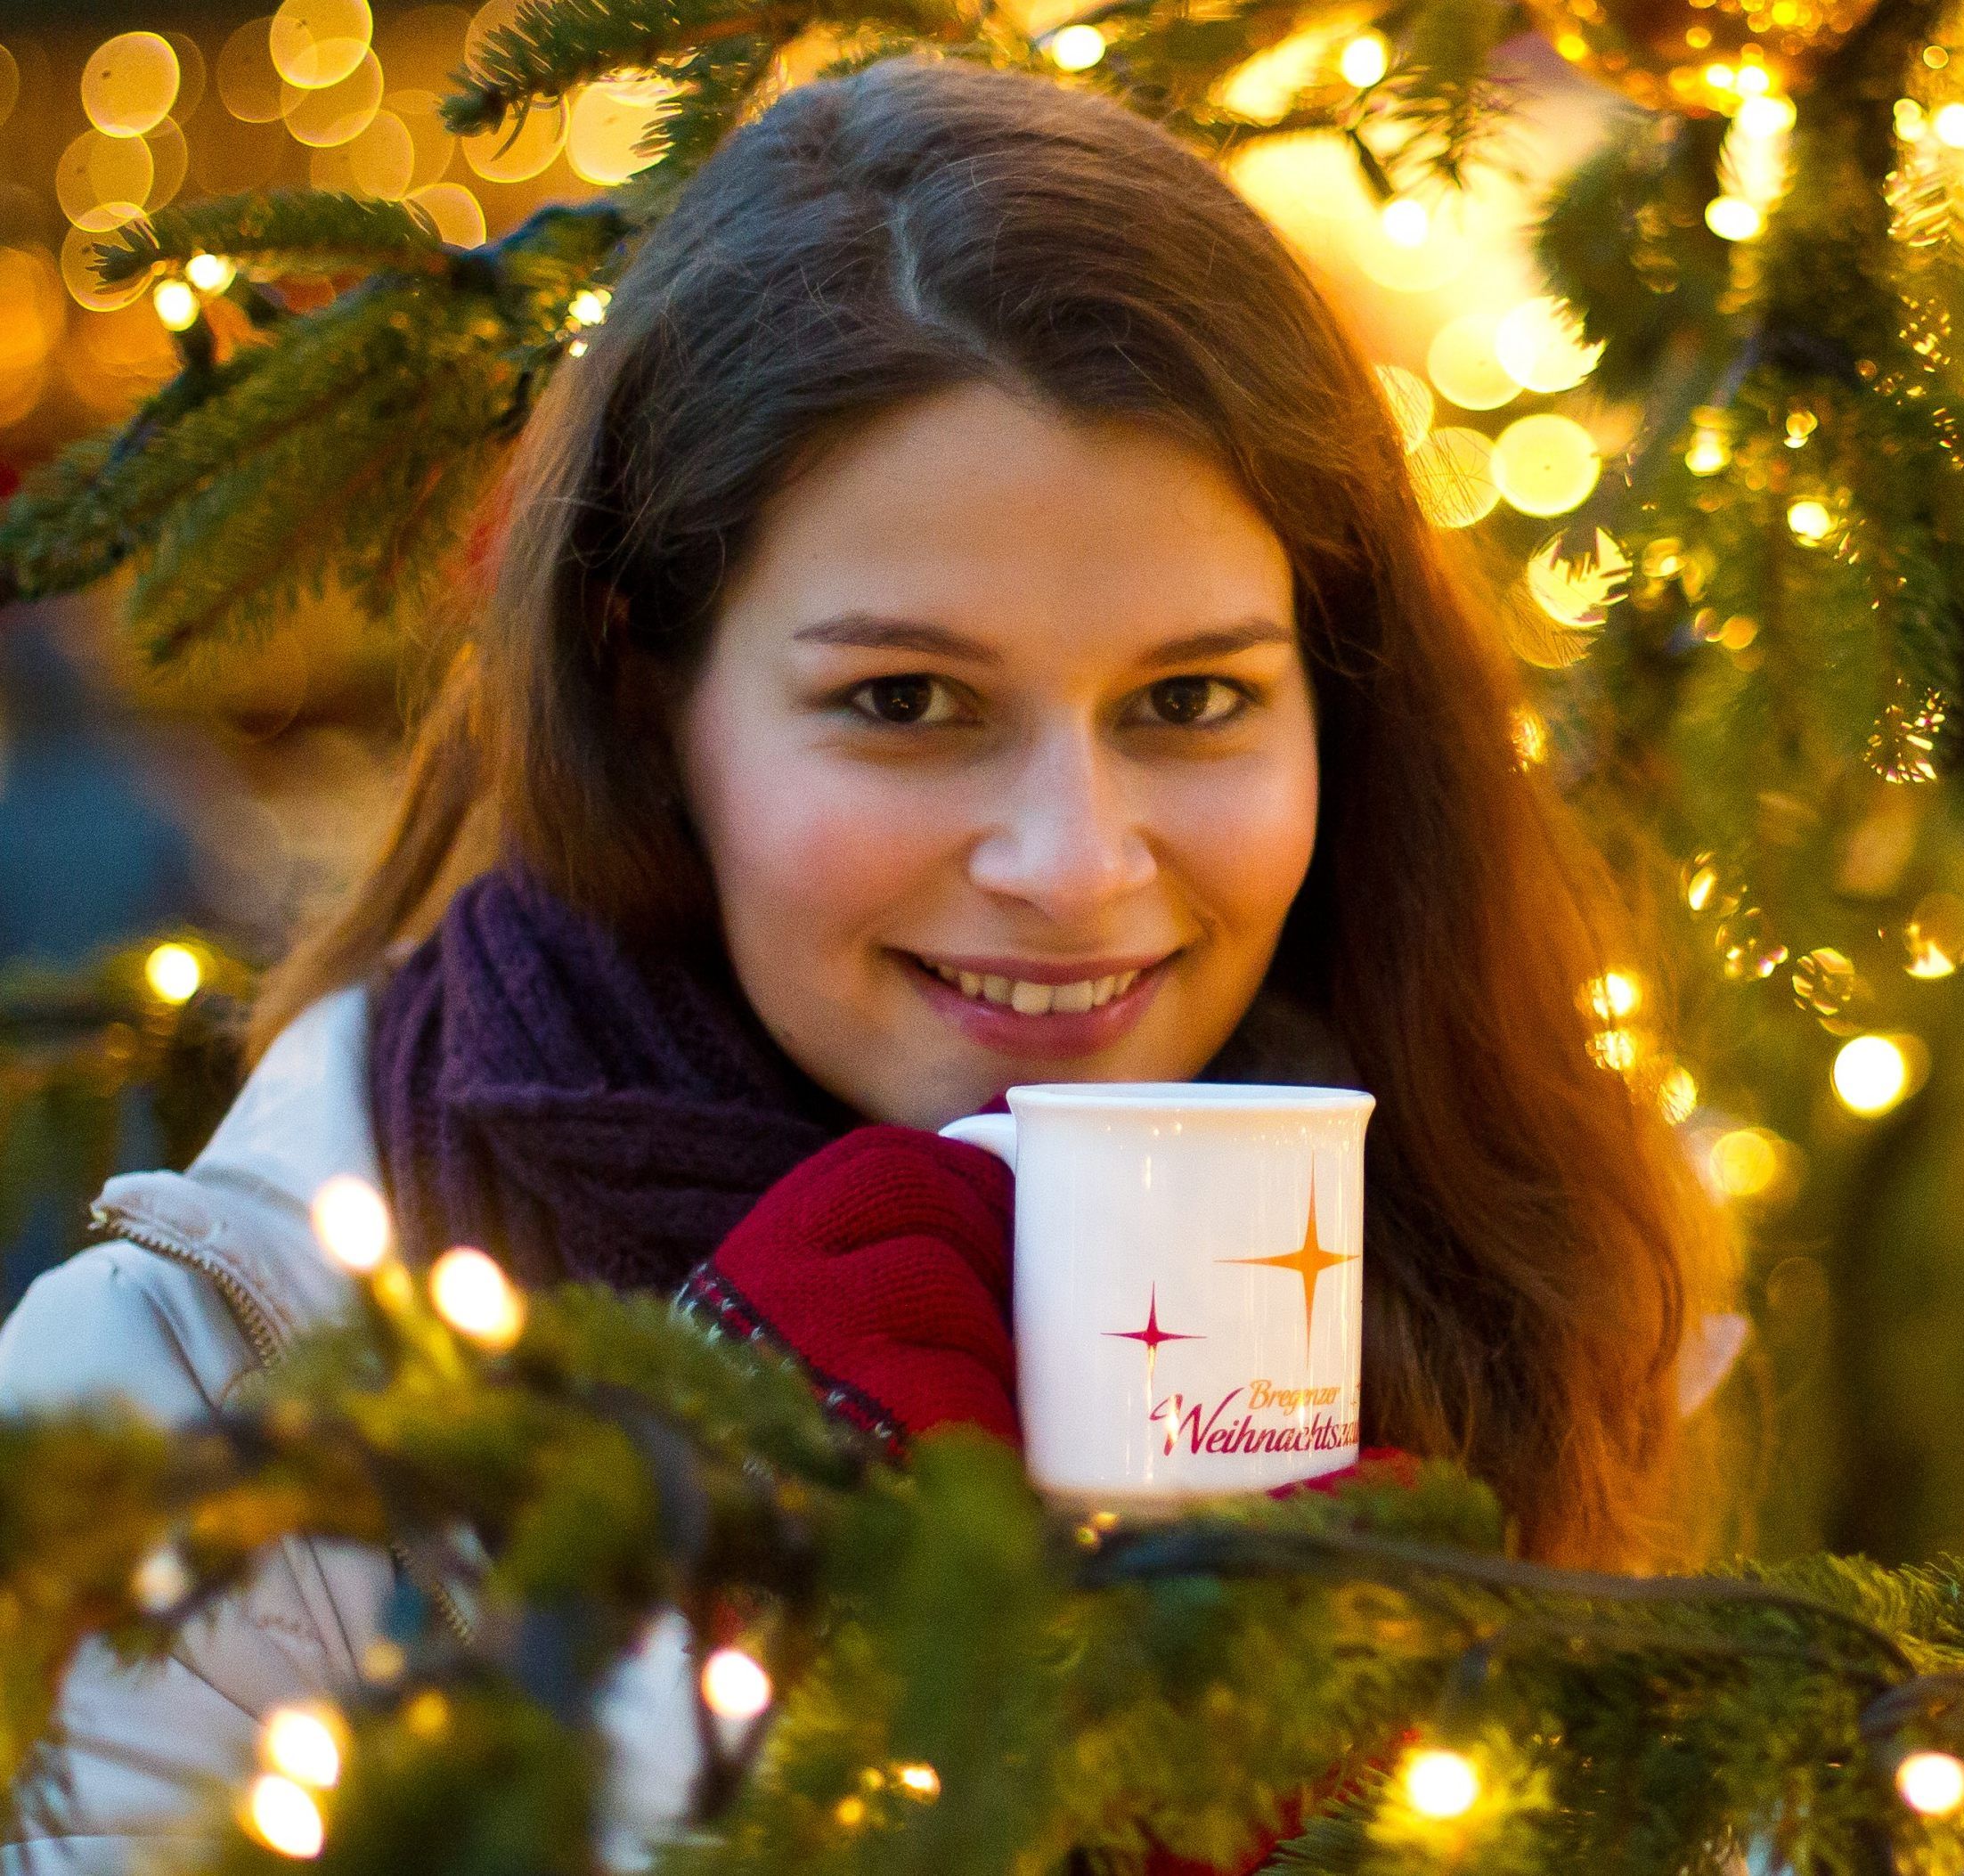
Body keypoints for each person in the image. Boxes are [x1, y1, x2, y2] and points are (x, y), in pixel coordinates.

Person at [0, 53, 1736, 1876]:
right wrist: (699, 1656)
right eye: (905, 702)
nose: (1073, 865)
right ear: (644, 694)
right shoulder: (194, 1396)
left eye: (1194, 698)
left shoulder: (1509, 1276)